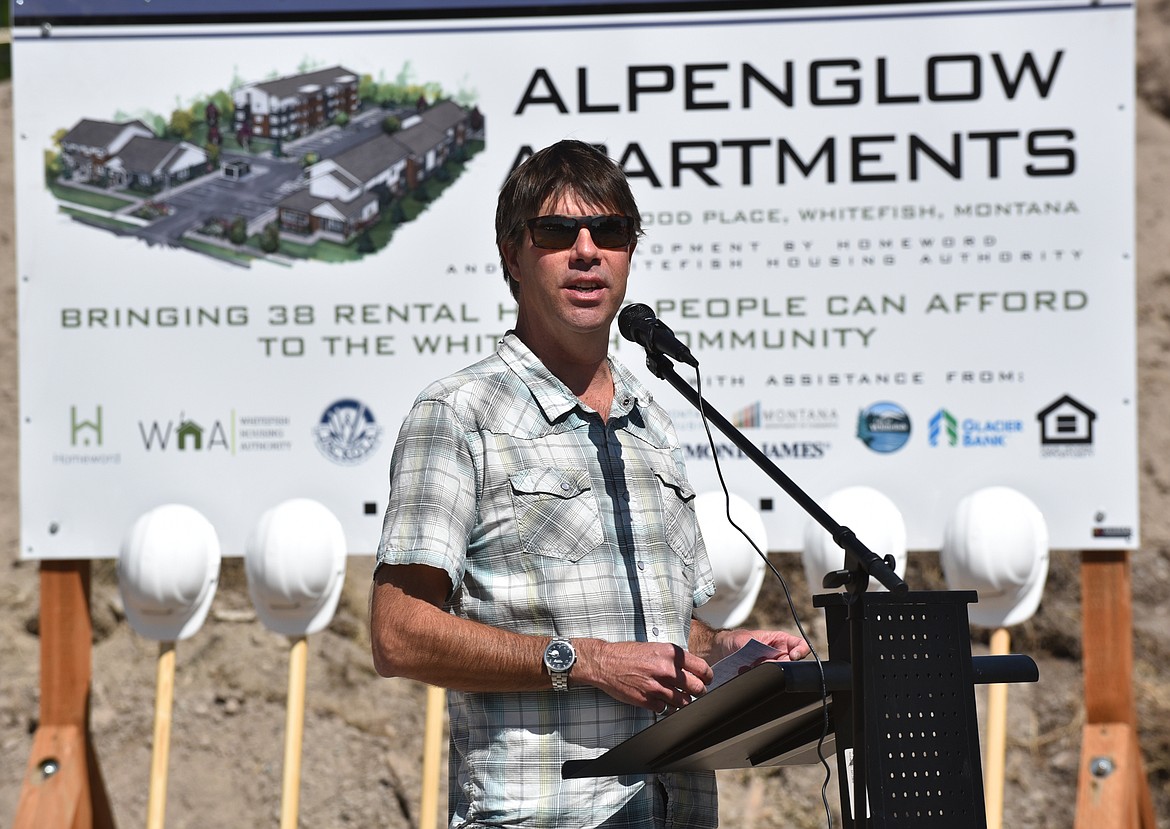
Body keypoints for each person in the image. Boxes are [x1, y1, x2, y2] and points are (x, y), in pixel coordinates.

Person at [370, 139, 809, 829]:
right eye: (556, 231)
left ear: (629, 252)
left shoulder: (652, 420)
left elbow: (667, 629)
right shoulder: (459, 414)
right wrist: (584, 661)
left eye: (609, 231)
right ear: (512, 254)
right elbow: (398, 633)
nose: (586, 250)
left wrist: (725, 651)